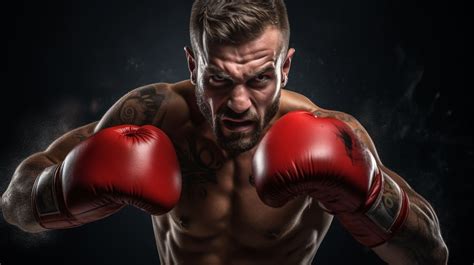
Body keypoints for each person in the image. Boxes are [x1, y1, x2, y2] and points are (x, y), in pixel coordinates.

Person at [1, 0, 448, 264]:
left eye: (259, 79)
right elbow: (14, 205)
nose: (238, 103)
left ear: (285, 67)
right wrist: (64, 189)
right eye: (218, 79)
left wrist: (364, 196)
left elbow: (432, 255)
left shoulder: (331, 132)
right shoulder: (155, 114)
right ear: (193, 65)